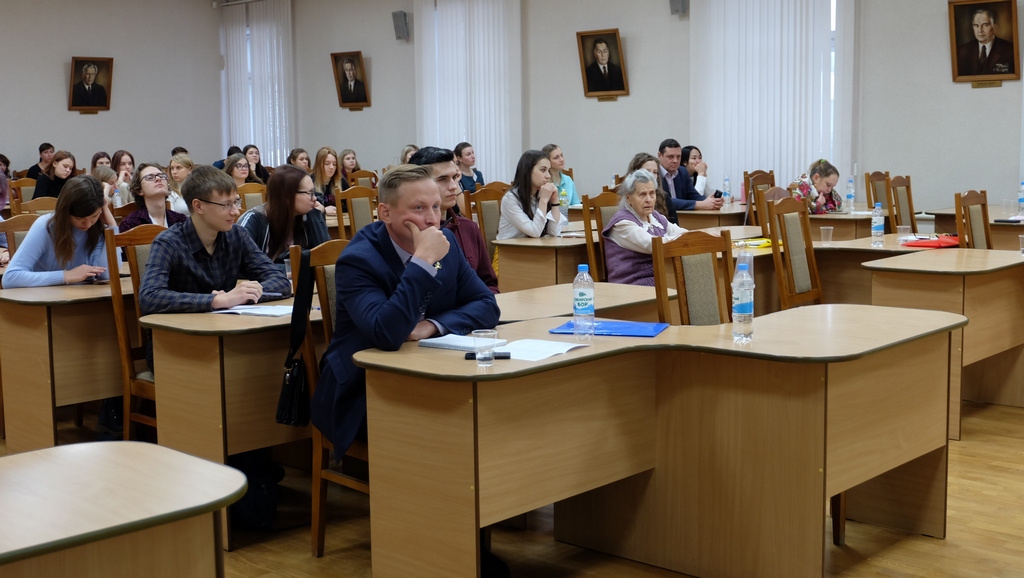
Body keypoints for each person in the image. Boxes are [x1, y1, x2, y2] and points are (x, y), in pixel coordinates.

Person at [309, 164, 503, 577]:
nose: (432, 219)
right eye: (418, 209)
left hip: (427, 372)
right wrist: (422, 262)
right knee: (446, 433)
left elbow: (487, 305)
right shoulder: (358, 259)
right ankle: (435, 553)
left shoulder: (446, 241)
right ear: (385, 213)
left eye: (435, 207)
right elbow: (386, 332)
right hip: (362, 389)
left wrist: (431, 326)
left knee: (483, 420)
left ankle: (464, 541)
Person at [138, 165, 291, 315]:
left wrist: (244, 296)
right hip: (183, 329)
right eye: (226, 205)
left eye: (236, 202)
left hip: (228, 325)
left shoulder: (237, 235)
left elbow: (280, 281)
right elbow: (149, 297)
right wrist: (216, 300)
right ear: (198, 206)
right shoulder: (168, 242)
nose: (235, 212)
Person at [409, 146, 499, 293]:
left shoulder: (469, 228)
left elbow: (489, 284)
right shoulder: (407, 233)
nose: (453, 186)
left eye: (454, 178)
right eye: (442, 179)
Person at [3, 175, 118, 288]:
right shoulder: (45, 226)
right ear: (65, 211)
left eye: (94, 216)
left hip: (84, 296)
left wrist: (112, 226)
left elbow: (106, 274)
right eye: (79, 218)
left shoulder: (96, 227)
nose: (88, 224)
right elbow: (10, 278)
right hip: (47, 296)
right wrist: (66, 276)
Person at [603, 169, 688, 286]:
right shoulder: (622, 224)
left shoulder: (655, 216)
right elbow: (655, 245)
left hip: (659, 278)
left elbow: (680, 232)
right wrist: (686, 240)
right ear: (628, 198)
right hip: (631, 284)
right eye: (642, 194)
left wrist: (693, 238)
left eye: (652, 193)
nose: (649, 199)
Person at [237, 164, 330, 264]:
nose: (314, 198)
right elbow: (239, 261)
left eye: (314, 193)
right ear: (287, 197)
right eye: (310, 193)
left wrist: (316, 217)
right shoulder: (253, 220)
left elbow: (328, 260)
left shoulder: (308, 217)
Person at [496, 149, 567, 240]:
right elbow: (535, 232)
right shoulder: (510, 199)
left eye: (549, 171)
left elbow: (554, 232)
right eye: (543, 170)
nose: (548, 176)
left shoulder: (541, 194)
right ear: (528, 171)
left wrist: (555, 201)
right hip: (509, 248)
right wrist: (543, 201)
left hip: (533, 246)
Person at [118, 164, 189, 234]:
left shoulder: (181, 220)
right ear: (139, 190)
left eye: (161, 176)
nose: (158, 179)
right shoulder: (130, 225)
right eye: (150, 177)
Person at [657, 139, 722, 211]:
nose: (675, 160)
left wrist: (713, 202)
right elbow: (664, 200)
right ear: (659, 156)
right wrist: (700, 204)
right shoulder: (654, 173)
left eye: (678, 157)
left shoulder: (682, 172)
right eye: (670, 157)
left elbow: (694, 196)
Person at [957, 8, 1016, 75]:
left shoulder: (1010, 50)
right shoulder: (963, 51)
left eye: (985, 25)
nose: (980, 30)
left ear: (994, 26)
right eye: (976, 25)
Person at [627, 152, 677, 225]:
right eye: (647, 171)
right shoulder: (628, 197)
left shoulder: (664, 196)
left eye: (655, 172)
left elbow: (674, 226)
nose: (651, 176)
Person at [541, 144, 579, 214]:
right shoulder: (544, 181)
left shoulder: (568, 180)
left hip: (568, 217)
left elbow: (576, 205)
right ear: (547, 162)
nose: (561, 160)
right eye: (556, 158)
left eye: (562, 155)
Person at [312, 146, 341, 215]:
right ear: (319, 165)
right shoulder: (310, 181)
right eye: (327, 164)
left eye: (334, 164)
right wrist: (324, 210)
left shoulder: (341, 181)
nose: (331, 167)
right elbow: (305, 209)